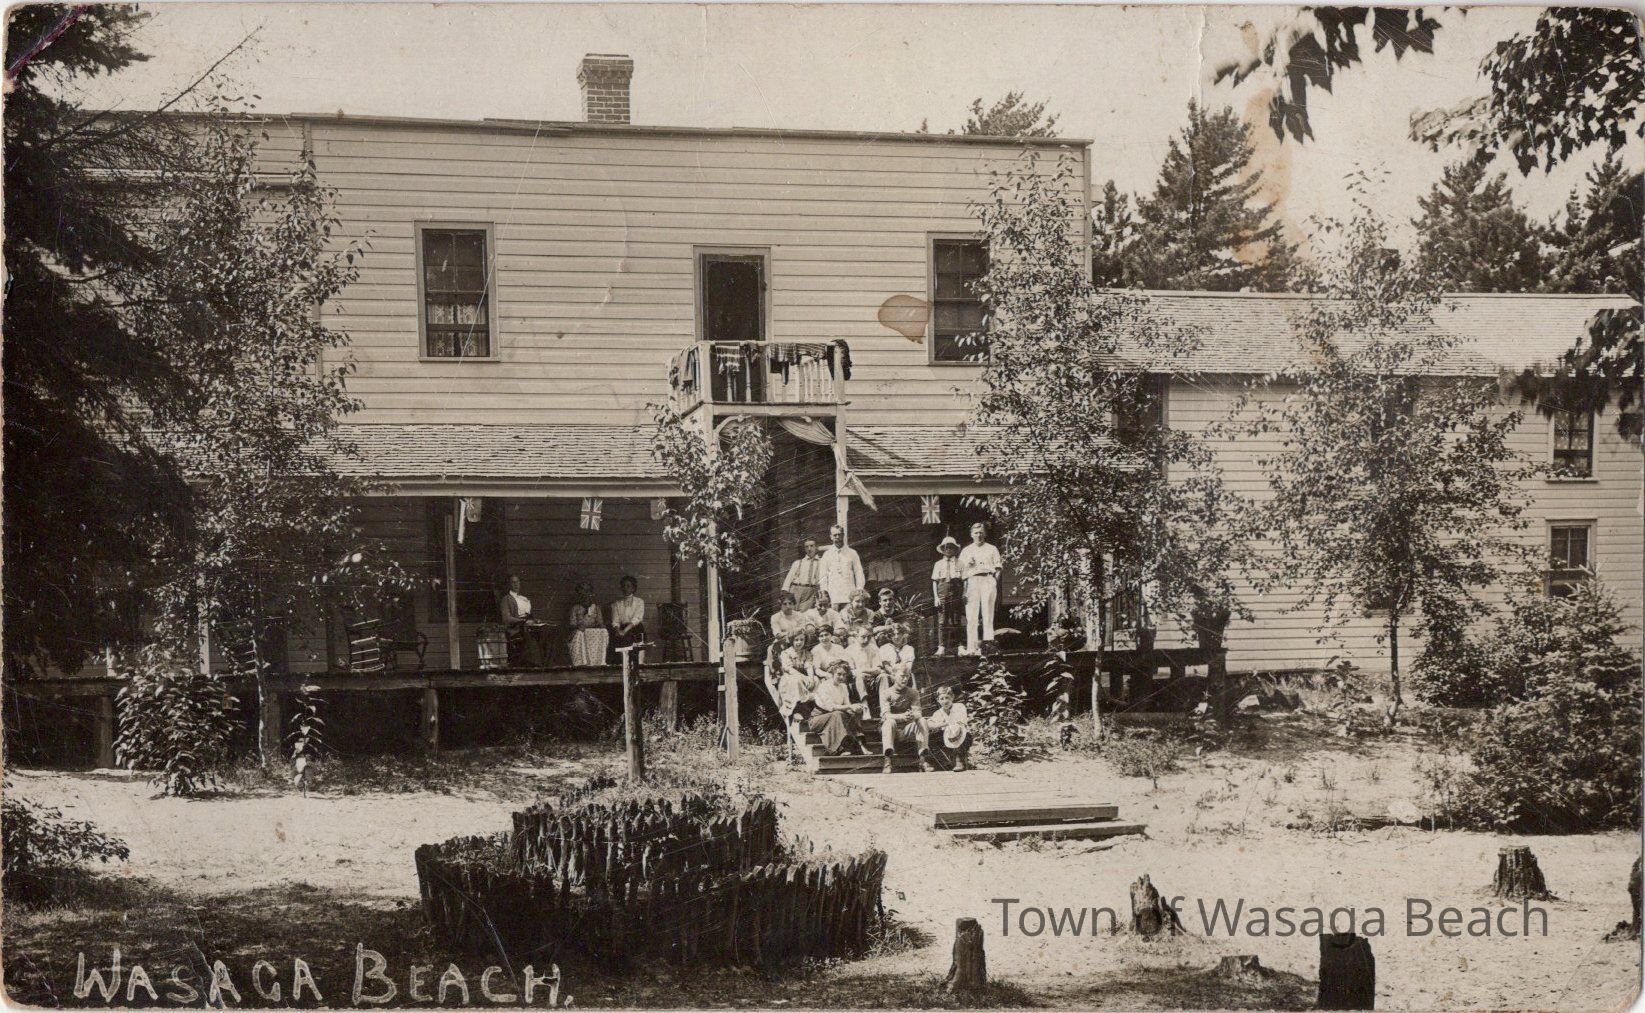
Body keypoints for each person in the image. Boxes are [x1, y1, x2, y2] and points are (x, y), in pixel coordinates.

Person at [960, 523, 1003, 655]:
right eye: (976, 533)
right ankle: (971, 648)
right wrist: (967, 565)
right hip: (972, 581)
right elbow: (960, 571)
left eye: (981, 532)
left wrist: (994, 582)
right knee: (971, 615)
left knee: (988, 614)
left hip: (988, 579)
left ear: (985, 534)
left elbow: (998, 568)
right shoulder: (966, 550)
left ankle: (988, 647)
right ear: (971, 535)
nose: (978, 535)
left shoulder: (992, 548)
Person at [880, 670, 934, 773]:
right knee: (889, 722)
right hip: (892, 729)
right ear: (893, 676)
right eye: (902, 676)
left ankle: (923, 760)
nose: (905, 679)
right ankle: (887, 761)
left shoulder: (913, 692)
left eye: (907, 676)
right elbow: (885, 715)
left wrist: (911, 715)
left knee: (922, 720)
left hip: (906, 728)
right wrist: (901, 716)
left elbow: (918, 713)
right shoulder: (886, 693)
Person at [808, 661, 865, 756]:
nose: (842, 677)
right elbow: (831, 707)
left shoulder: (843, 687)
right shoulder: (824, 686)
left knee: (852, 713)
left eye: (844, 675)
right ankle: (840, 749)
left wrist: (855, 709)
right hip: (817, 719)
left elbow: (847, 704)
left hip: (834, 717)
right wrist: (850, 707)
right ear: (832, 673)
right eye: (839, 674)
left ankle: (860, 745)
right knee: (837, 714)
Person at [499, 574, 549, 666]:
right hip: (516, 628)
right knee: (531, 637)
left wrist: (535, 620)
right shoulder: (506, 599)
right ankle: (534, 664)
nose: (516, 584)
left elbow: (529, 616)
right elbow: (507, 618)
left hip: (528, 625)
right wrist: (524, 621)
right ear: (509, 585)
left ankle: (546, 663)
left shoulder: (524, 599)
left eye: (517, 582)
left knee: (547, 631)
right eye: (513, 582)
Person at [930, 536, 965, 655]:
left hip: (956, 594)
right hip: (942, 594)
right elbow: (935, 581)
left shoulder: (960, 563)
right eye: (946, 547)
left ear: (955, 549)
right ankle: (941, 647)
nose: (948, 550)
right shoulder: (938, 564)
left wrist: (964, 593)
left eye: (951, 547)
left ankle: (960, 646)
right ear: (943, 550)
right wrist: (936, 597)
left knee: (956, 620)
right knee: (942, 621)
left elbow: (964, 580)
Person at [925, 684, 972, 771]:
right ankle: (931, 762)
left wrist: (947, 724)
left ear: (952, 697)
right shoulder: (938, 713)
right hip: (946, 737)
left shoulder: (959, 707)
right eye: (942, 699)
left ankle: (959, 761)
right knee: (930, 737)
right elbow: (929, 724)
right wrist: (942, 724)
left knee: (958, 731)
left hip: (961, 735)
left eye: (947, 698)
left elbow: (960, 723)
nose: (945, 701)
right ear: (938, 700)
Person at [818, 525, 865, 609]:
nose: (837, 537)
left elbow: (859, 572)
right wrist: (824, 592)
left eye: (839, 534)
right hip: (833, 595)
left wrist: (859, 588)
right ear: (831, 537)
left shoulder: (852, 553)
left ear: (843, 535)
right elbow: (823, 576)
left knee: (849, 615)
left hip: (849, 594)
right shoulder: (827, 554)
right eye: (835, 535)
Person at [567, 581, 608, 666]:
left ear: (591, 594)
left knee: (604, 631)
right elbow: (572, 624)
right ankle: (581, 662)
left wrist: (600, 625)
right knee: (579, 633)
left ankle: (599, 661)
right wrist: (578, 627)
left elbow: (600, 622)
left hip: (593, 632)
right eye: (582, 592)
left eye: (587, 592)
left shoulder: (596, 608)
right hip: (580, 631)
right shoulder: (575, 608)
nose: (585, 595)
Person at [609, 575, 646, 663]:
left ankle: (638, 666)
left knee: (637, 655)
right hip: (621, 630)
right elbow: (615, 621)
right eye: (623, 586)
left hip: (635, 629)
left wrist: (624, 631)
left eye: (628, 586)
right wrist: (618, 631)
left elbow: (637, 619)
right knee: (622, 655)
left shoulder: (639, 602)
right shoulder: (616, 604)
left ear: (633, 588)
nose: (625, 588)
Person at [781, 537, 825, 610]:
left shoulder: (822, 562)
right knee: (792, 613)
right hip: (795, 590)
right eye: (806, 547)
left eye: (812, 546)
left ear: (816, 547)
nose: (809, 549)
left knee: (804, 614)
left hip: (810, 592)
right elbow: (788, 579)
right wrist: (785, 592)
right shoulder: (798, 563)